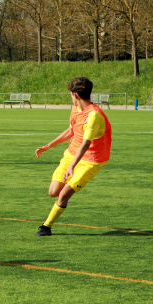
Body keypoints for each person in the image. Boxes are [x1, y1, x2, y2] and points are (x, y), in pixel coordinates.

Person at [35, 77, 112, 236]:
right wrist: (48, 145)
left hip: (91, 161)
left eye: (70, 94)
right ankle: (61, 200)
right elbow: (71, 130)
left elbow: (85, 143)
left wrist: (71, 167)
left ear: (75, 95)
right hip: (71, 154)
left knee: (64, 194)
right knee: (53, 192)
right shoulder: (76, 109)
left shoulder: (94, 116)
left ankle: (46, 227)